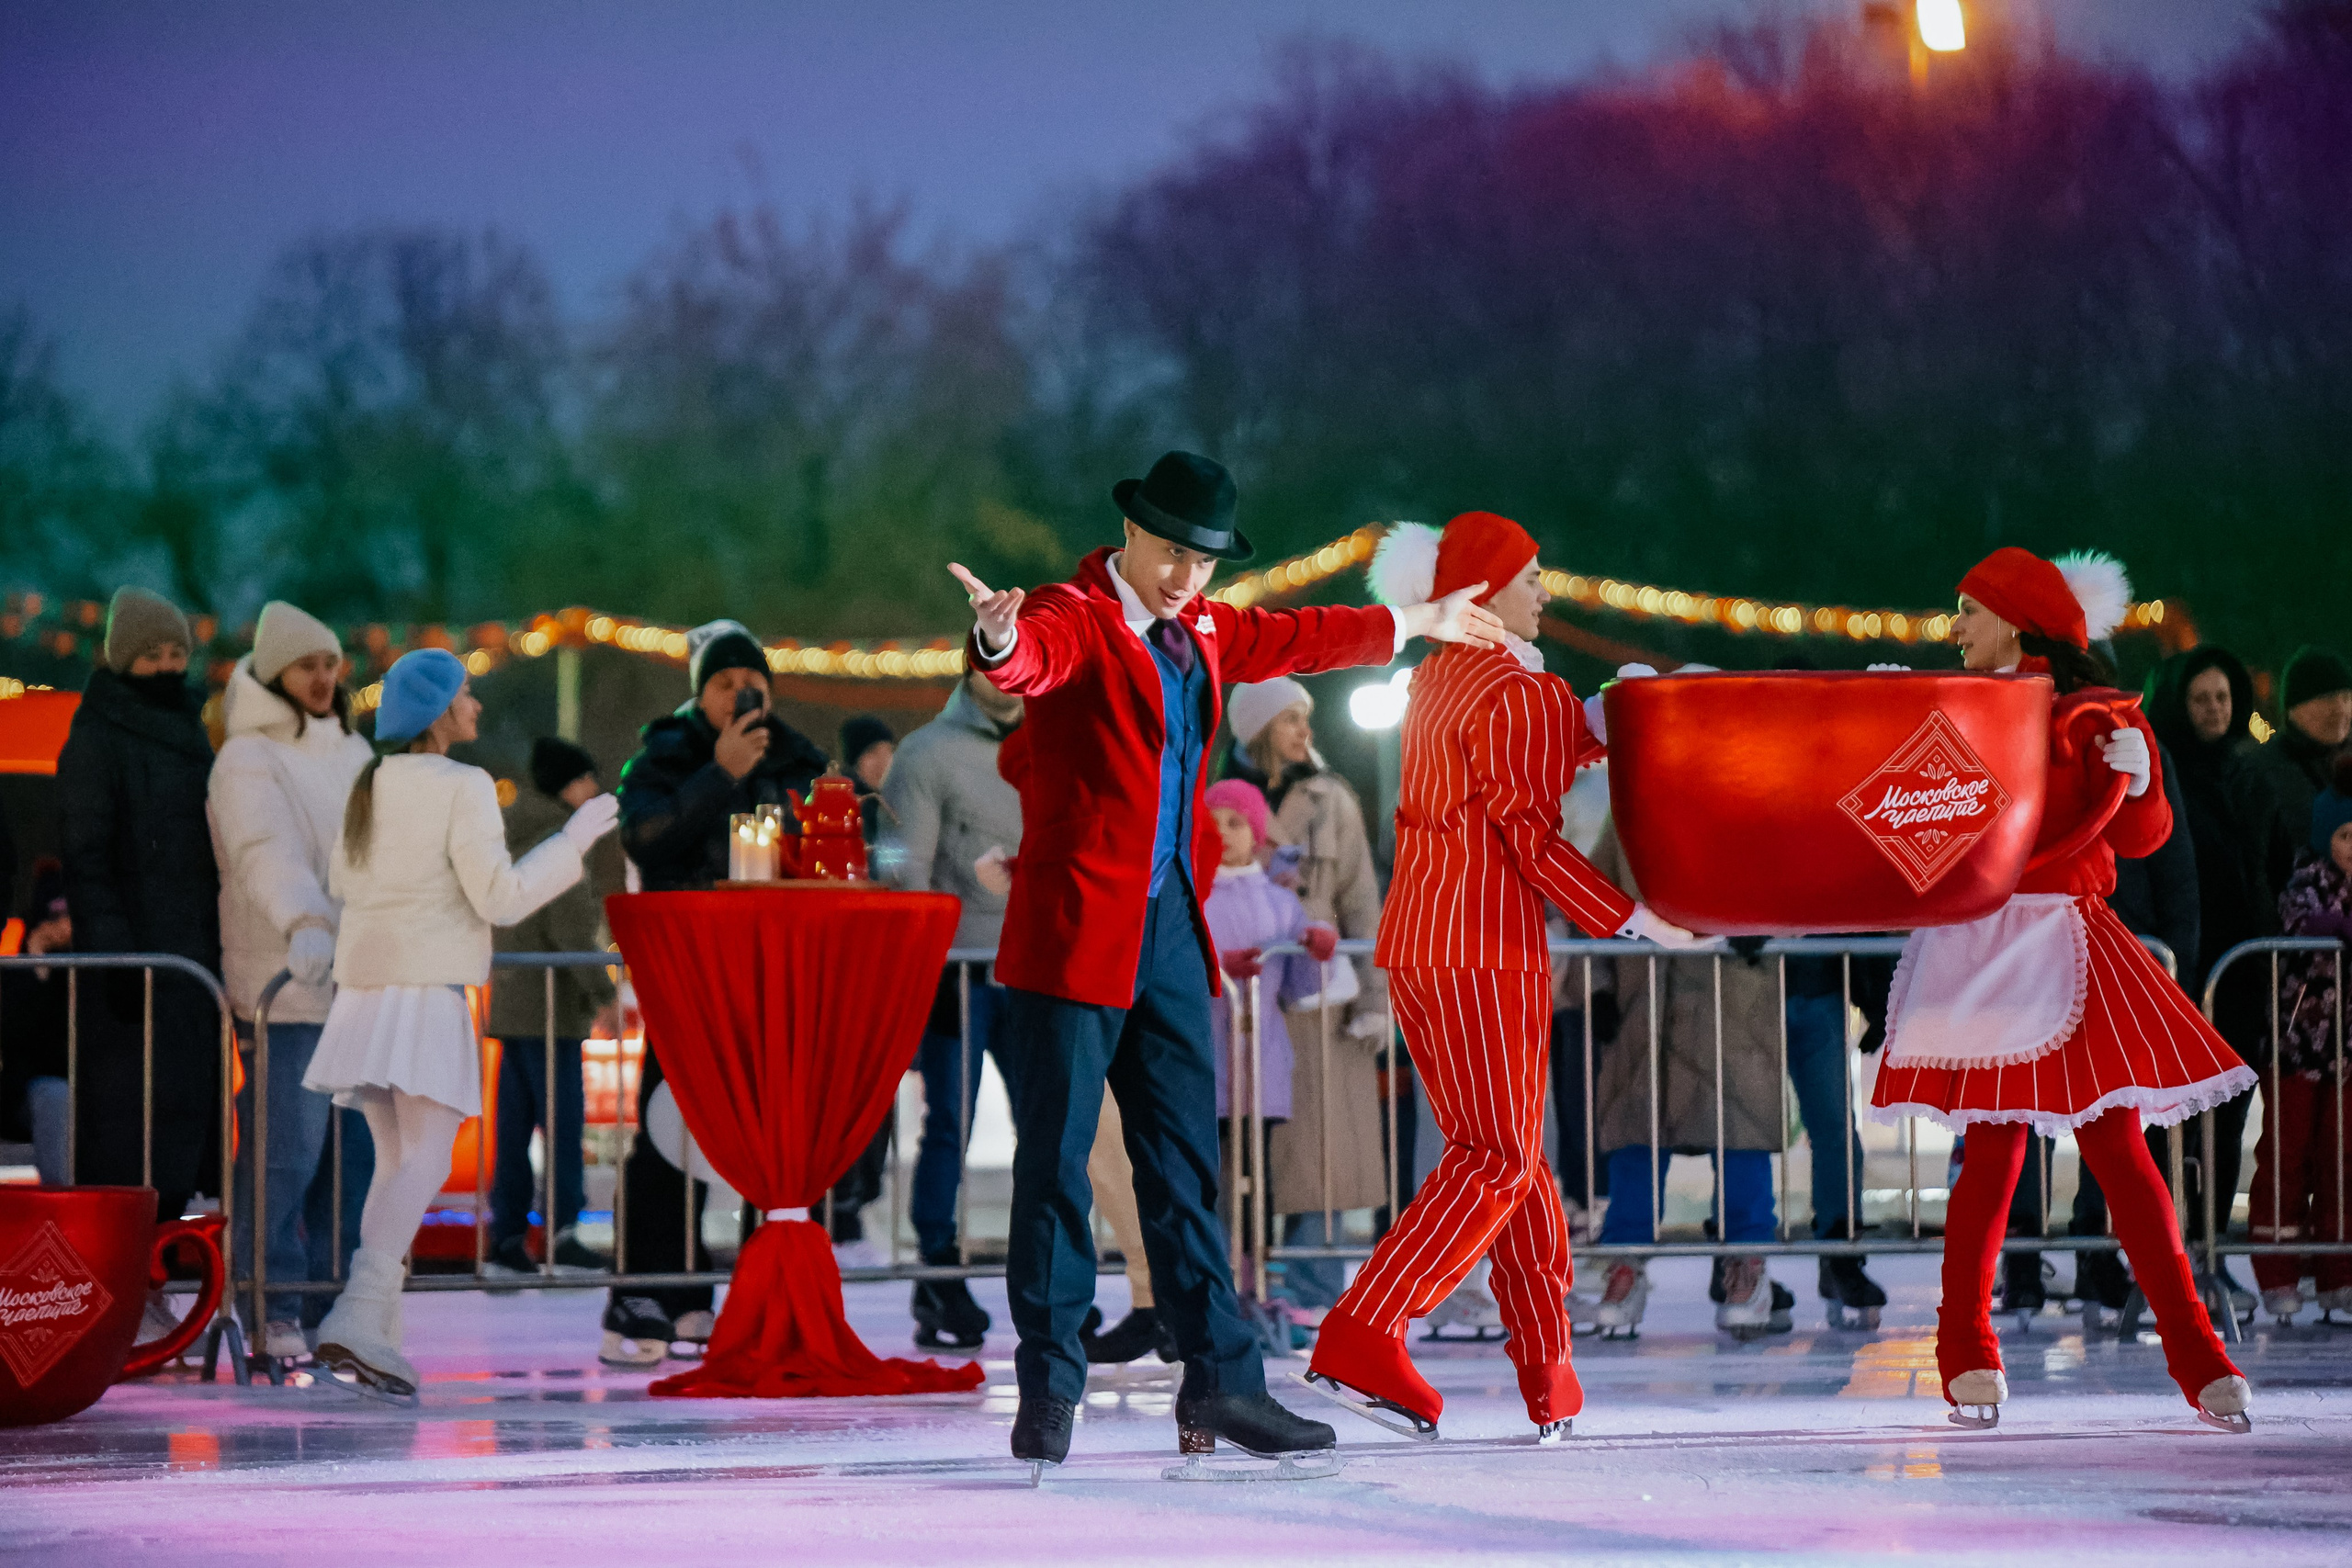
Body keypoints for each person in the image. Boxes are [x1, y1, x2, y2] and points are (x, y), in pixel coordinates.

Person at [953, 450, 1506, 1477]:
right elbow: (1029, 658)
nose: (1184, 577)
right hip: (1072, 938)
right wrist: (995, 639)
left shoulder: (1201, 627)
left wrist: (1410, 627)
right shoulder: (1079, 614)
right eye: (1169, 553)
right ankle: (1051, 1380)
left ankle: (1223, 1380)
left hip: (1168, 933)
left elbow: (1294, 633)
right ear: (1132, 535)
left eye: (1202, 561)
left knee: (1184, 1172)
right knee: (1055, 1168)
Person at [1301, 513, 1702, 1443]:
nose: (1545, 590)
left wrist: (1609, 717)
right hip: (1484, 947)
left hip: (1423, 944)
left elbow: (1536, 745)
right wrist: (1634, 919)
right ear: (1483, 591)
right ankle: (1365, 1329)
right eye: (1530, 574)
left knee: (1510, 1157)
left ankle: (1546, 1368)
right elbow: (1529, 831)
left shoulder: (1444, 679)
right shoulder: (1513, 688)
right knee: (1500, 1158)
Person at [1868, 547, 2255, 1432]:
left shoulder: (2095, 714)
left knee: (2118, 1151)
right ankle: (1964, 1346)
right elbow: (1909, 821)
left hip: (2067, 941)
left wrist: (2146, 776)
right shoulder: (1956, 705)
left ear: (2015, 617)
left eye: (1969, 608)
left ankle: (2195, 1350)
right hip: (1984, 941)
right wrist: (1883, 720)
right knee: (1996, 1154)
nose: (1956, 626)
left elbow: (2149, 837)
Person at [301, 650, 618, 1400]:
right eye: (467, 694)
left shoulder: (368, 781)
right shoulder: (464, 785)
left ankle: (375, 1328)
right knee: (429, 1157)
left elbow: (345, 883)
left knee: (396, 1160)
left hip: (368, 993)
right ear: (441, 709)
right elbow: (501, 897)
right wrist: (571, 842)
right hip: (424, 994)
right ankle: (358, 1310)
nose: (476, 706)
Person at [604, 619, 829, 1365]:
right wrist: (719, 773)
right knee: (671, 1124)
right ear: (700, 693)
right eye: (724, 681)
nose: (740, 692)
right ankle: (650, 1291)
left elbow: (833, 835)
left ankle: (755, 1294)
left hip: (772, 973)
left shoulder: (797, 754)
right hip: (687, 970)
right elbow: (645, 838)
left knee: (773, 1132)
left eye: (750, 680)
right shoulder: (662, 756)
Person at [209, 601, 374, 1360]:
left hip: (357, 981)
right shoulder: (247, 758)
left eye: (331, 663)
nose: (322, 677)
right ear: (277, 669)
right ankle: (270, 1297)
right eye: (308, 664)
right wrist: (305, 919)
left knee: (355, 1154)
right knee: (288, 1147)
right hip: (289, 980)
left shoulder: (351, 752)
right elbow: (264, 848)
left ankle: (335, 1303)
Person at [57, 588, 223, 1311]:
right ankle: (116, 1286)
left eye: (176, 653)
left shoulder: (195, 733)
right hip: (131, 973)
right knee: (126, 1129)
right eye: (152, 654)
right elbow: (86, 858)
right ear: (124, 659)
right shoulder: (95, 738)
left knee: (183, 1124)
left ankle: (153, 1271)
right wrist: (117, 958)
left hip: (192, 964)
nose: (166, 666)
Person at [1577, 823, 1792, 1341]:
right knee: (1635, 1132)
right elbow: (1595, 895)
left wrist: (1774, 924)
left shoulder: (1757, 801)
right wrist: (1601, 986)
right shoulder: (1634, 804)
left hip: (1732, 1001)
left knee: (1739, 1129)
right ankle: (1626, 1267)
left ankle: (1747, 1266)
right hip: (1648, 1000)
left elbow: (1804, 880)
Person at [1222, 679, 1389, 1325]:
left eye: (1305, 719)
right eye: (1291, 720)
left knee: (1321, 1144)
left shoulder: (1332, 798)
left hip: (1321, 995)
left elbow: (1359, 897)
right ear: (1260, 728)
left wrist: (1375, 994)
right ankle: (1249, 1278)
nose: (1304, 732)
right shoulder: (1222, 803)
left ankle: (1314, 1284)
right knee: (1251, 1141)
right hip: (1245, 992)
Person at [880, 669, 1025, 1348]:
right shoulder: (928, 752)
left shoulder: (1054, 740)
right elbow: (904, 867)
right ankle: (939, 1276)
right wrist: (913, 960)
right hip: (957, 969)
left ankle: (1047, 1279)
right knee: (949, 1126)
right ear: (972, 669)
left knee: (1053, 1130)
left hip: (1038, 967)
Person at [2140, 645, 2274, 1309]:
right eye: (2201, 699)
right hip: (2185, 970)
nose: (2214, 710)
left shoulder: (2250, 777)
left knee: (2226, 1124)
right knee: (2171, 1126)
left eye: (2223, 698)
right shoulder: (2167, 774)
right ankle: (2167, 1258)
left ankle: (2213, 1247)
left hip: (2243, 977)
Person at [1199, 779, 1337, 1329]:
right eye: (1215, 825)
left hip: (1262, 1060)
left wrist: (1315, 948)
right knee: (1209, 1176)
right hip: (1206, 1057)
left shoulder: (1282, 902)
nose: (1225, 835)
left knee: (1260, 1177)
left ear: (1255, 833)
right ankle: (1212, 1279)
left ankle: (1256, 1278)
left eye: (1235, 824)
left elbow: (1298, 987)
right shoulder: (1196, 896)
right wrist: (1217, 971)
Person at [485, 738, 621, 1280]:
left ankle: (508, 1240)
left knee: (514, 1132)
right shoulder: (557, 844)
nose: (594, 792)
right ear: (570, 785)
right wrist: (604, 995)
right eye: (588, 781)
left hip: (511, 1002)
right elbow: (571, 932)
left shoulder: (509, 836)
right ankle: (563, 1236)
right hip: (549, 1010)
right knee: (562, 1127)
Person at [2247, 758, 2352, 1322]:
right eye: (2344, 834)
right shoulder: (2307, 881)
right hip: (2297, 1050)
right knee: (2288, 1157)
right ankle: (2280, 1271)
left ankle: (2340, 1273)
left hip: (2347, 1055)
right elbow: (2300, 923)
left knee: (2343, 1158)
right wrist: (2334, 929)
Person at [2241, 645, 2352, 899]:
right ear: (2294, 708)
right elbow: (2254, 867)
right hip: (2293, 926)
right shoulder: (2260, 771)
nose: (2340, 710)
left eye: (2346, 698)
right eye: (2327, 699)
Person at [0, 860, 73, 1185]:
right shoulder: (20, 965)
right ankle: (64, 1206)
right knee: (54, 1095)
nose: (62, 926)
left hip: (101, 1084)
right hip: (32, 1090)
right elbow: (17, 1034)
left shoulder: (112, 964)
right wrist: (38, 957)